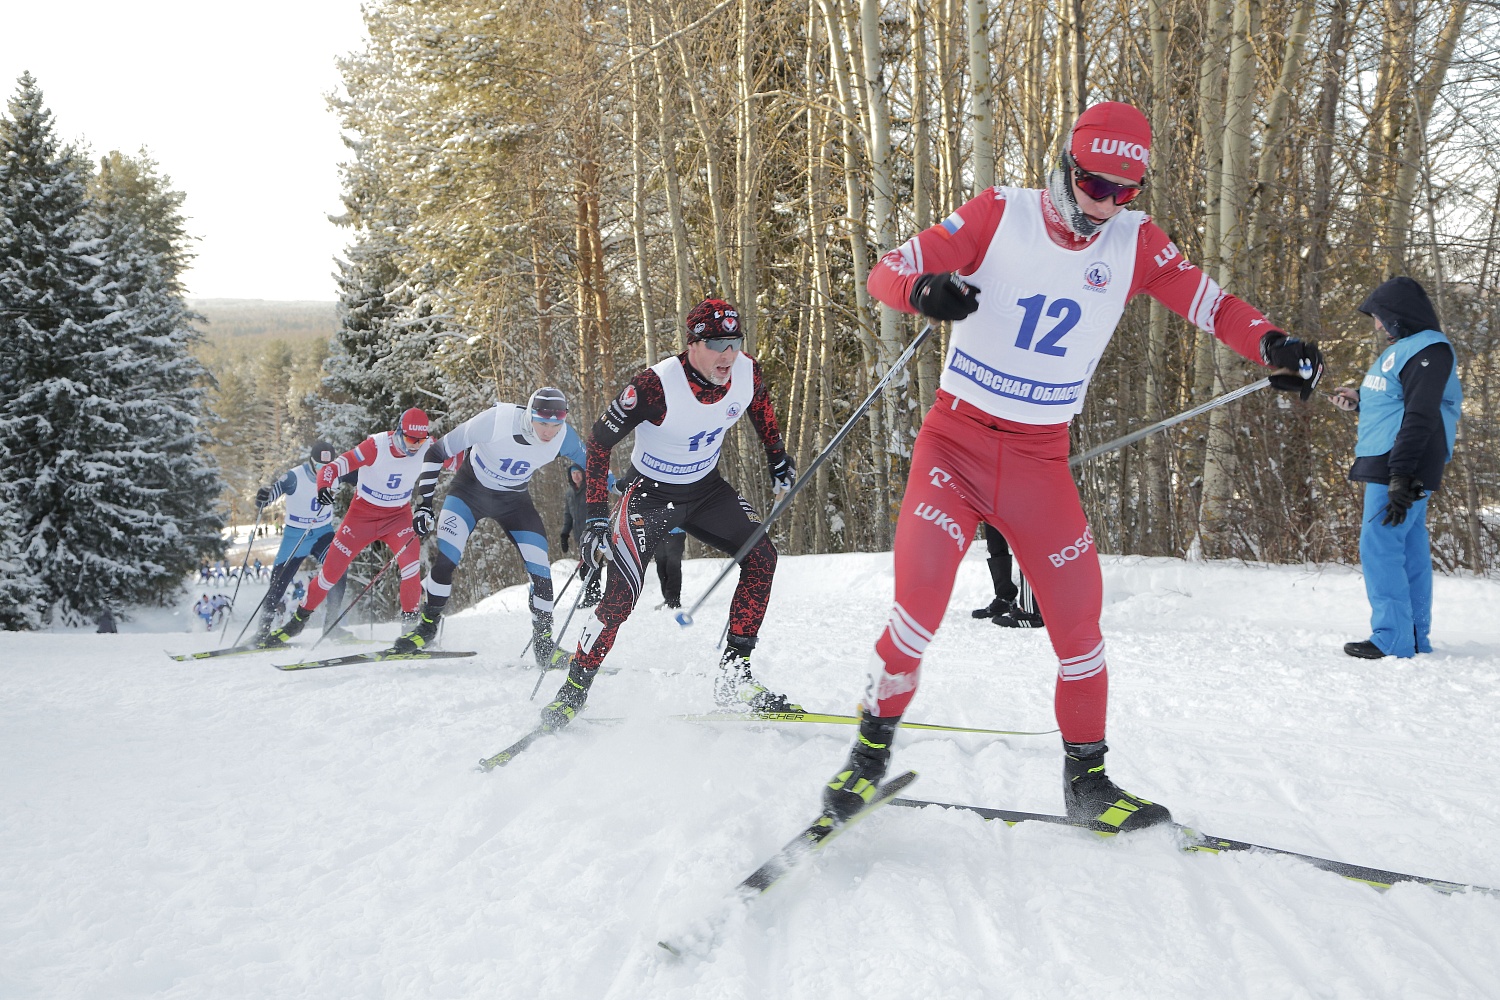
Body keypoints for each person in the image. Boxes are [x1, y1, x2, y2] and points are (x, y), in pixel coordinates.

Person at [819, 101, 1324, 831]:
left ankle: (1088, 783)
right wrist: (924, 289)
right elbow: (887, 270)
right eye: (1093, 185)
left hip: (1037, 461)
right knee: (919, 606)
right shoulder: (1001, 212)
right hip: (954, 448)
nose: (1102, 206)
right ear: (1066, 165)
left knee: (1080, 628)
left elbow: (1214, 307)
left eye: (1123, 193)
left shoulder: (1136, 242)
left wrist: (1276, 344)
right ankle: (866, 761)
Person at [540, 297, 800, 728]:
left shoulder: (746, 371)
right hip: (649, 496)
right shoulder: (653, 386)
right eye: (717, 343)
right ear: (693, 343)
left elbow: (761, 409)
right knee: (621, 595)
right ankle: (572, 691)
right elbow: (599, 443)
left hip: (706, 491)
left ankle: (735, 676)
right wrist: (596, 518)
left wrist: (777, 457)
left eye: (735, 341)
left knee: (762, 558)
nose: (728, 355)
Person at [391, 387, 588, 662]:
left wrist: (624, 484)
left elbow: (595, 464)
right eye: (542, 422)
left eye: (555, 424)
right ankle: (426, 628)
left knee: (541, 572)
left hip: (514, 502)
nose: (548, 431)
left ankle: (543, 646)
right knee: (447, 560)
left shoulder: (564, 436)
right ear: (530, 414)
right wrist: (424, 504)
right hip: (469, 492)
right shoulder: (497, 420)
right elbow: (436, 452)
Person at [1329, 277, 1461, 660]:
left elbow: (1421, 414)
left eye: (1381, 317)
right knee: (1407, 547)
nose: (1377, 325)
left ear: (1400, 316)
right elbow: (1395, 401)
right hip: (1389, 458)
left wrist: (1401, 475)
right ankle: (1413, 635)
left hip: (1400, 462)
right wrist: (1359, 400)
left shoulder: (1429, 350)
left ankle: (1392, 638)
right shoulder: (1405, 350)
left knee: (1380, 547)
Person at [267, 408, 434, 643]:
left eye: (421, 440)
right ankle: (297, 622)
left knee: (410, 567)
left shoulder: (428, 446)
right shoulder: (375, 446)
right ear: (398, 432)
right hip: (361, 517)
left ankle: (410, 631)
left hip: (398, 518)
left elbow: (458, 456)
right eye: (409, 439)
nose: (415, 446)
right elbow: (332, 468)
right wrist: (323, 486)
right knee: (330, 574)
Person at [250, 441, 349, 644]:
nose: (324, 471)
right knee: (278, 582)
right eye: (320, 466)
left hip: (322, 533)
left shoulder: (338, 473)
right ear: (311, 462)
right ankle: (263, 631)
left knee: (339, 568)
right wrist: (263, 497)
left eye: (328, 467)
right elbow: (273, 493)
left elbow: (363, 475)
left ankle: (332, 626)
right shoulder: (295, 476)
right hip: (296, 536)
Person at [971, 524, 1044, 628]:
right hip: (994, 507)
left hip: (1023, 509)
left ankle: (1030, 611)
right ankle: (1005, 599)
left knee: (1025, 542)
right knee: (994, 540)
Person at [559, 463, 605, 607]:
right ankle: (591, 595)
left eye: (578, 472)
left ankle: (594, 595)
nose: (576, 476)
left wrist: (599, 528)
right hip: (580, 537)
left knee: (593, 566)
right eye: (573, 473)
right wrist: (564, 534)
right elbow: (568, 515)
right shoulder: (569, 493)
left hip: (594, 534)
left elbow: (601, 509)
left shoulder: (591, 489)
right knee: (584, 570)